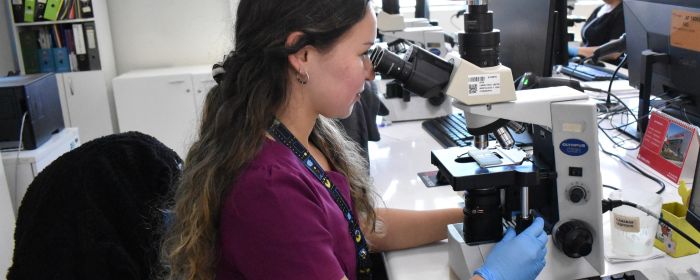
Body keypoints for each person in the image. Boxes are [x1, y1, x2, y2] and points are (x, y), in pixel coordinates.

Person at [161, 1, 548, 280]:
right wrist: (494, 277)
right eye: (364, 54)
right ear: (303, 54)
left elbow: (357, 226)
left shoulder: (299, 133)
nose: (370, 73)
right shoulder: (270, 191)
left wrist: (477, 218)